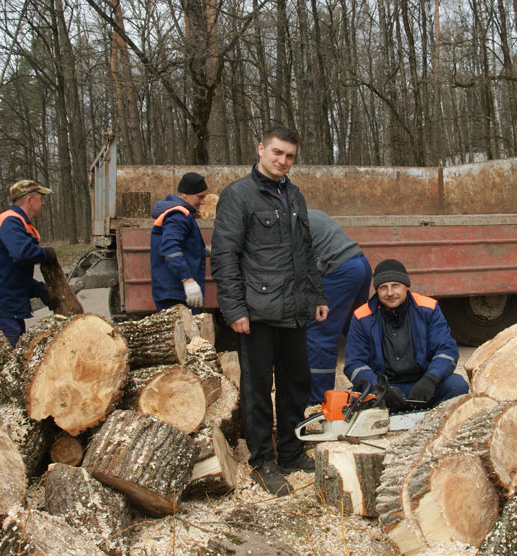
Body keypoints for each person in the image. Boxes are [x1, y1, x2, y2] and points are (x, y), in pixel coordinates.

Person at [211, 125, 329, 496]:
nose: (282, 161)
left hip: (294, 309)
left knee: (296, 384)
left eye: (290, 156)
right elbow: (224, 257)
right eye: (276, 152)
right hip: (256, 313)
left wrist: (317, 296)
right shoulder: (238, 196)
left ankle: (291, 451)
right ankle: (263, 461)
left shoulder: (294, 195)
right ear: (261, 148)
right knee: (258, 389)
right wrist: (234, 309)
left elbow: (305, 253)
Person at [344, 259, 468, 407]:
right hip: (385, 388)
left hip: (422, 382)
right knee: (357, 399)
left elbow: (447, 350)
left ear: (406, 286)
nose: (390, 293)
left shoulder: (428, 308)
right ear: (377, 290)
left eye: (395, 286)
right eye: (383, 287)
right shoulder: (362, 316)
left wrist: (431, 378)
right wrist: (380, 388)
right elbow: (354, 364)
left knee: (457, 385)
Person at [0, 179, 59, 347]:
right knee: (9, 358)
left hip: (6, 307)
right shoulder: (10, 221)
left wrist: (40, 291)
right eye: (40, 198)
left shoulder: (20, 224)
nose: (43, 203)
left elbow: (12, 272)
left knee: (17, 355)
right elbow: (22, 255)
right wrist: (45, 254)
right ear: (30, 200)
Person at [305, 209, 372, 405]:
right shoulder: (309, 213)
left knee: (319, 334)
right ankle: (375, 386)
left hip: (339, 271)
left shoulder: (287, 220)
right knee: (357, 330)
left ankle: (317, 403)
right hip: (359, 264)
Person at [150, 172, 209, 314]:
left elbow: (184, 247)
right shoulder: (178, 215)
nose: (203, 202)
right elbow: (170, 249)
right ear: (185, 195)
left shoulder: (179, 214)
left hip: (174, 292)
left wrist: (205, 251)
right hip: (176, 294)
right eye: (200, 197)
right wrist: (187, 280)